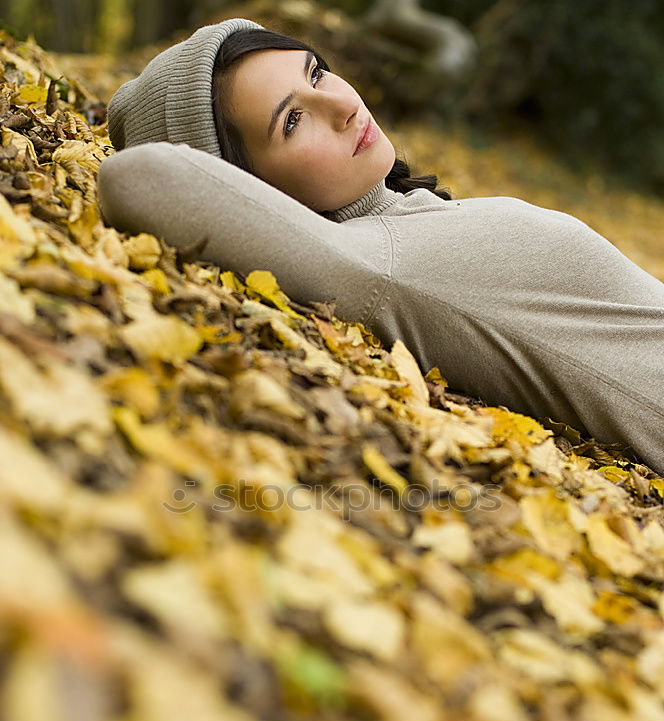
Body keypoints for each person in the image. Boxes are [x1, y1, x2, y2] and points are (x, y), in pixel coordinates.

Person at [97, 17, 664, 477]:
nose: (341, 105)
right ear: (248, 185)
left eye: (316, 74)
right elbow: (138, 177)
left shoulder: (408, 223)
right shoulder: (372, 263)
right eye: (292, 121)